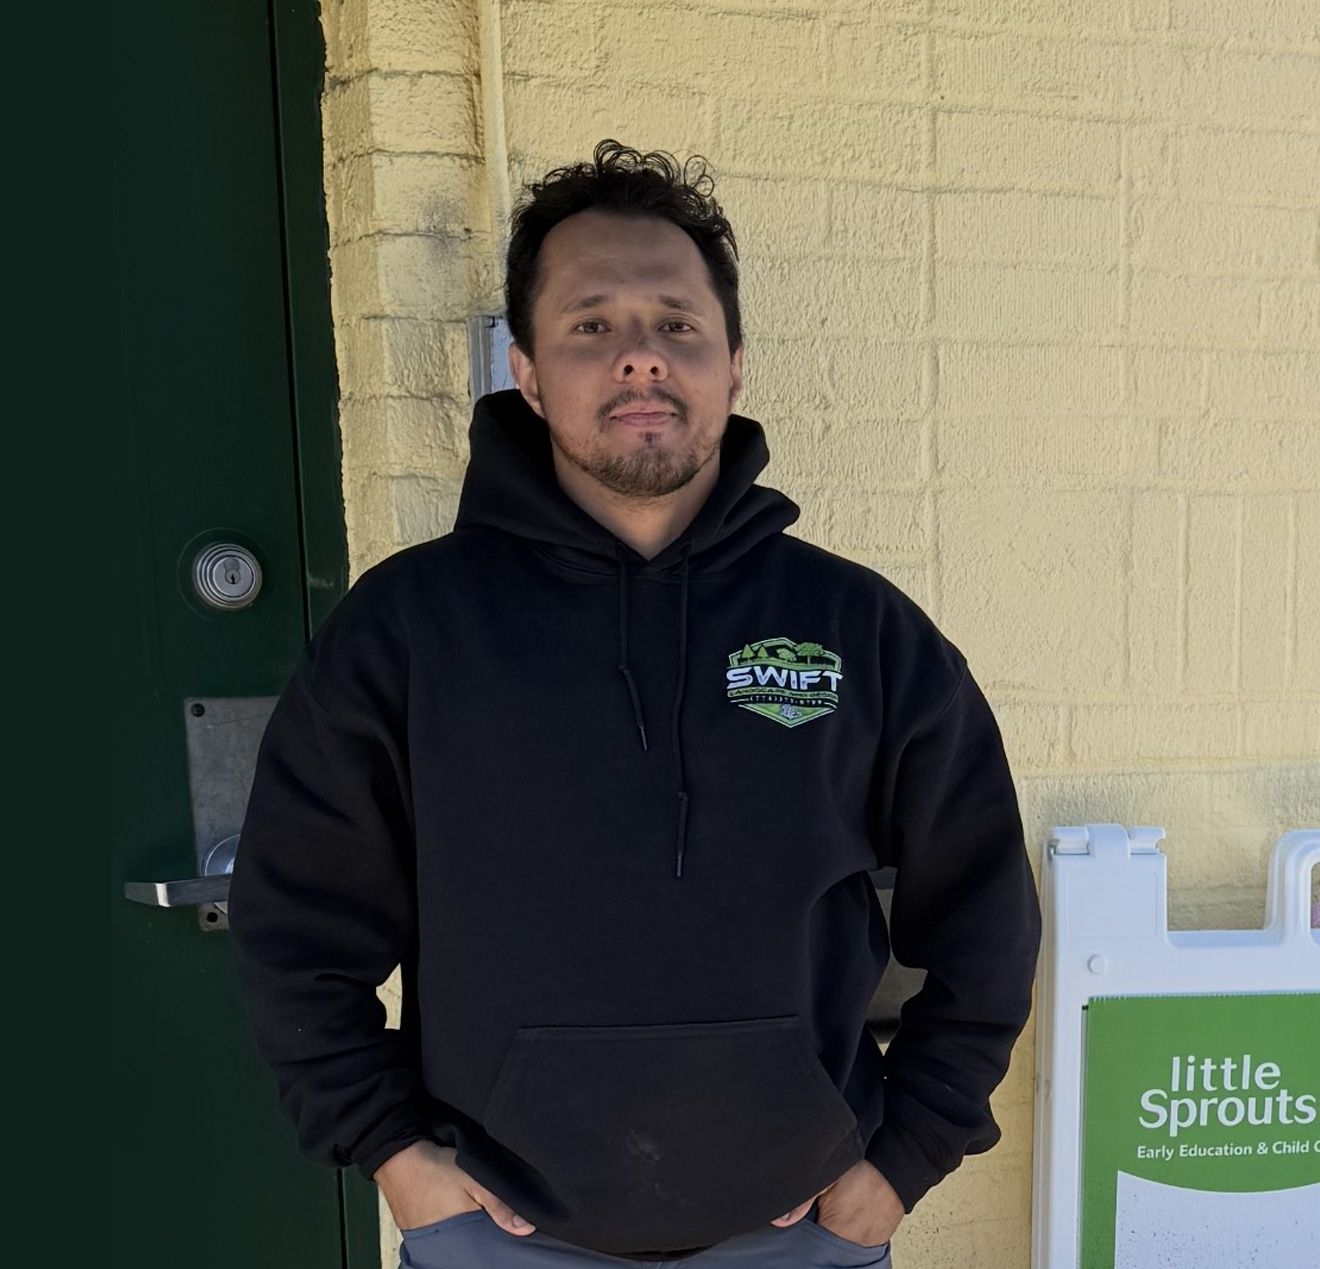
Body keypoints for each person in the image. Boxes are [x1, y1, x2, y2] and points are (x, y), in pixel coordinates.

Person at [229, 139, 1041, 1268]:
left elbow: (986, 918)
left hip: (801, 1233)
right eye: (591, 325)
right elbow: (295, 931)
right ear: (525, 367)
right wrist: (397, 1158)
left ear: (735, 363)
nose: (640, 360)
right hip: (500, 1234)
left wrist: (903, 1162)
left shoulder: (859, 631)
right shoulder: (409, 631)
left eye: (676, 324)